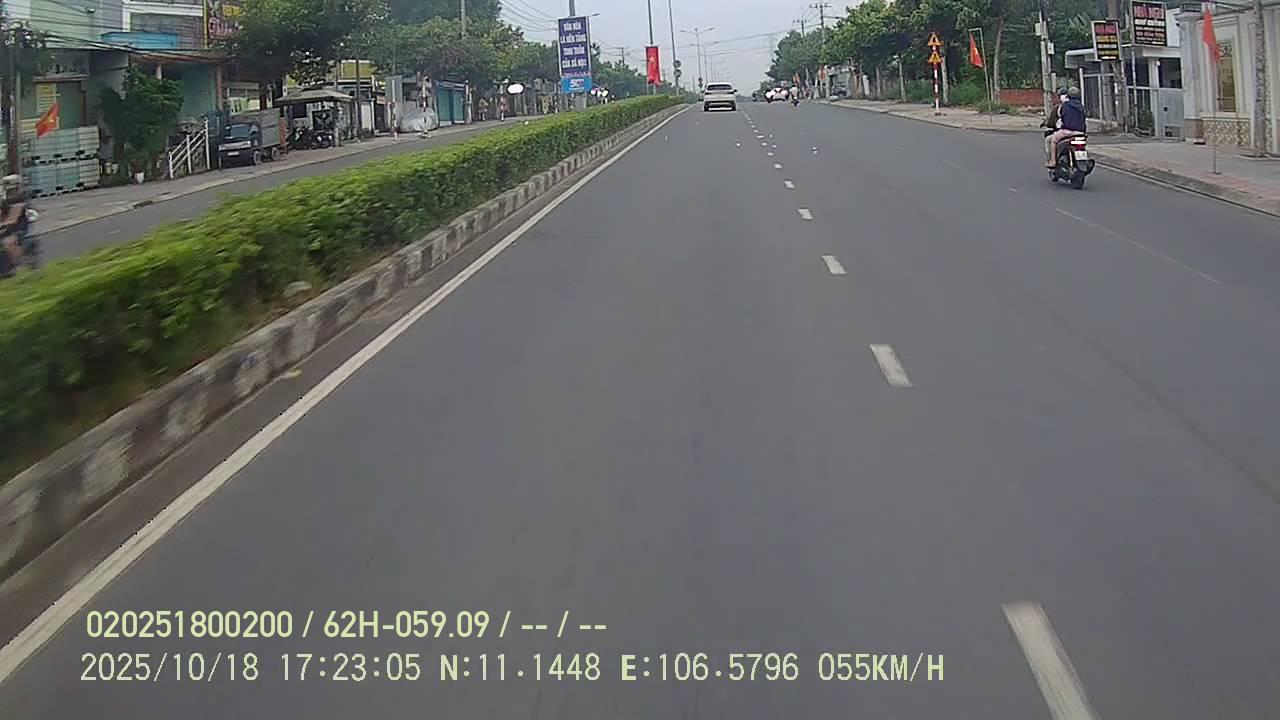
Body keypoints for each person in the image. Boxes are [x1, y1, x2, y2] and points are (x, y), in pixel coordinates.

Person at [1045, 87, 1087, 167]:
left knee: (1053, 140)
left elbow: (1061, 117)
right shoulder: (1081, 106)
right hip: (1080, 132)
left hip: (1067, 131)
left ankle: (1053, 161)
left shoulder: (1065, 105)